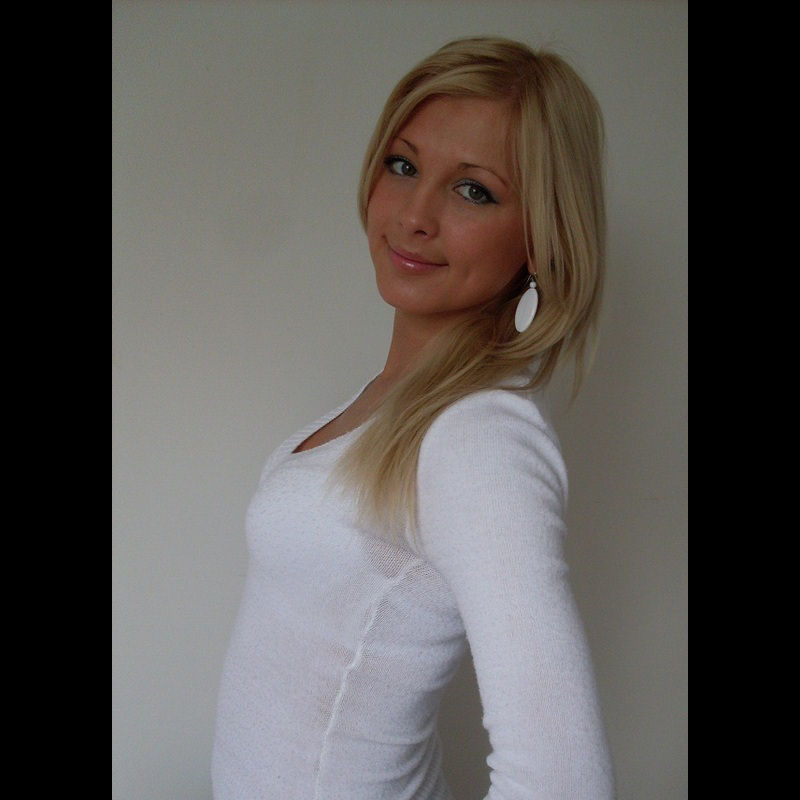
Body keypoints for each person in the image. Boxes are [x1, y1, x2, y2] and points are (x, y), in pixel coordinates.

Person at [212, 35, 615, 799]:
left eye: (473, 191)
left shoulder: (479, 436)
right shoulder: (393, 402)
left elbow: (565, 780)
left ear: (540, 238)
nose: (414, 215)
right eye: (403, 166)